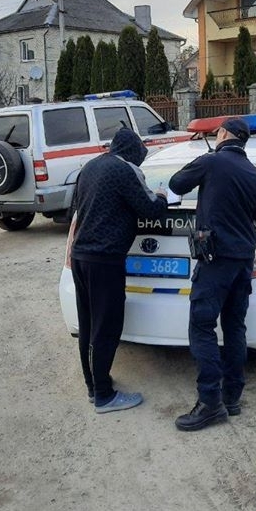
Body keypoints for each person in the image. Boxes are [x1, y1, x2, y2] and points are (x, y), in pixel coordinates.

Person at [168, 117, 256, 431]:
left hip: (214, 261)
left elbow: (175, 184)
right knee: (235, 326)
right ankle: (232, 397)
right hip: (242, 262)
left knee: (201, 326)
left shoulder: (211, 162)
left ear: (223, 135)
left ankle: (210, 402)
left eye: (217, 133)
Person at [71, 127, 168, 414]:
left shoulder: (89, 166)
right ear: (134, 152)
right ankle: (104, 395)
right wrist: (161, 195)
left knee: (89, 325)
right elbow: (150, 209)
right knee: (107, 326)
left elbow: (78, 207)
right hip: (105, 260)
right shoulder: (126, 170)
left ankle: (94, 386)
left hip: (80, 256)